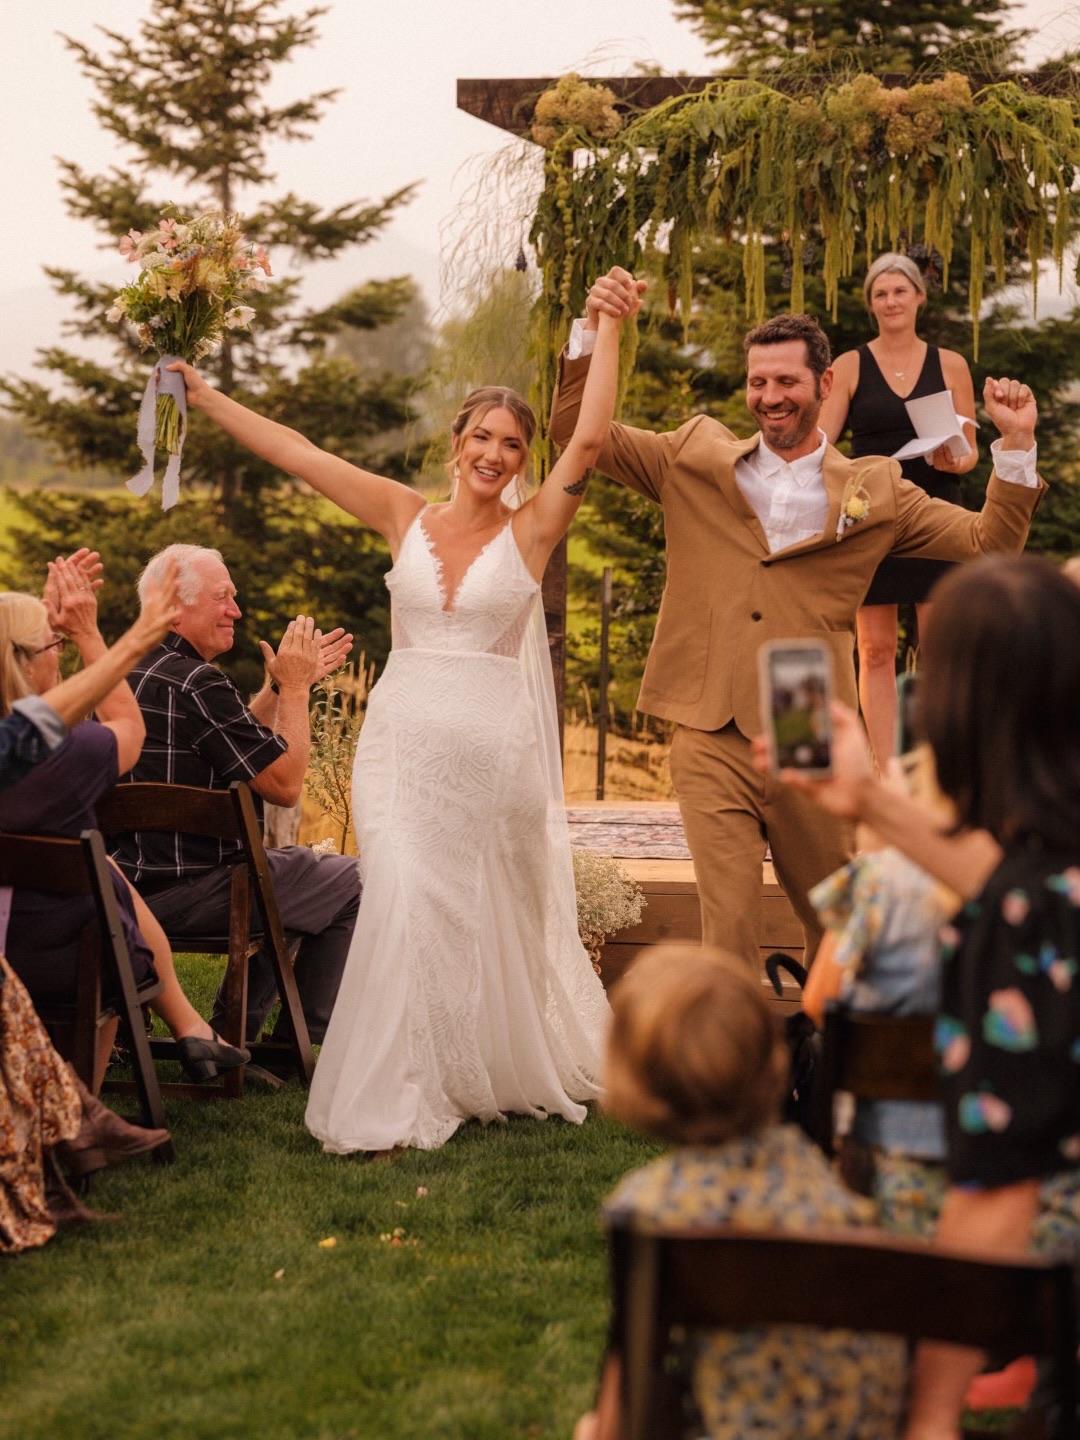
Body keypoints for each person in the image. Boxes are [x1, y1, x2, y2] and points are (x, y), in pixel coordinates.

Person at [166, 308, 625, 1153]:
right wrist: (206, 397)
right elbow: (299, 453)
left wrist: (610, 327)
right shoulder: (401, 514)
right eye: (482, 437)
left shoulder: (532, 530)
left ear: (524, 459)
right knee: (400, 898)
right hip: (401, 747)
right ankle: (399, 1088)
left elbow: (591, 441)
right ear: (456, 444)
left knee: (471, 911)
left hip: (489, 756)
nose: (494, 454)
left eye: (512, 444)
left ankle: (467, 1063)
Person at [551, 269, 1042, 971]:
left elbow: (988, 542)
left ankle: (829, 1034)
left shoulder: (875, 489)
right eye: (758, 382)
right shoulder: (692, 457)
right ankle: (733, 1042)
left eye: (786, 381)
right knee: (727, 923)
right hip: (709, 717)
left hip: (802, 711)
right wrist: (593, 332)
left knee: (833, 920)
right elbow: (576, 432)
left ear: (823, 384)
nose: (770, 396)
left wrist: (1016, 444)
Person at [769, 555, 1080, 1439]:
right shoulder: (1040, 896)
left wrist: (931, 1416)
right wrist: (869, 800)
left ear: (952, 708)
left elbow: (1000, 1189)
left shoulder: (1020, 923)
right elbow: (1020, 888)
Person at [574, 945, 907, 1440]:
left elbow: (625, 1396)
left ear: (638, 1081)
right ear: (773, 1060)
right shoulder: (832, 1190)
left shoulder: (653, 1209)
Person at [0, 556, 249, 1088]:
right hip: (62, 960)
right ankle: (82, 1105)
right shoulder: (74, 751)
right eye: (53, 646)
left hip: (14, 945)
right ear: (25, 662)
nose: (59, 653)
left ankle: (188, 1026)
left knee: (107, 873)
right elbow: (127, 727)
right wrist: (87, 634)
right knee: (110, 931)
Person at [111, 544, 358, 1051]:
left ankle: (236, 1032)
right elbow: (285, 786)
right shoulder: (199, 683)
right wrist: (296, 691)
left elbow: (240, 743)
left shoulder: (117, 673)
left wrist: (279, 687)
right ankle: (290, 1044)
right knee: (355, 882)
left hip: (120, 889)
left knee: (299, 880)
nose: (236, 611)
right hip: (200, 891)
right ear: (174, 608)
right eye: (222, 597)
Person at [820, 253, 980, 769]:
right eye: (880, 294)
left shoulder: (951, 365)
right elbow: (822, 444)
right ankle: (887, 768)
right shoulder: (849, 366)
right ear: (871, 304)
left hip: (938, 512)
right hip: (872, 513)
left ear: (919, 298)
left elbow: (970, 452)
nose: (890, 301)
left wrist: (955, 459)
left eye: (899, 291)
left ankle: (935, 765)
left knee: (940, 648)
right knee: (875, 649)